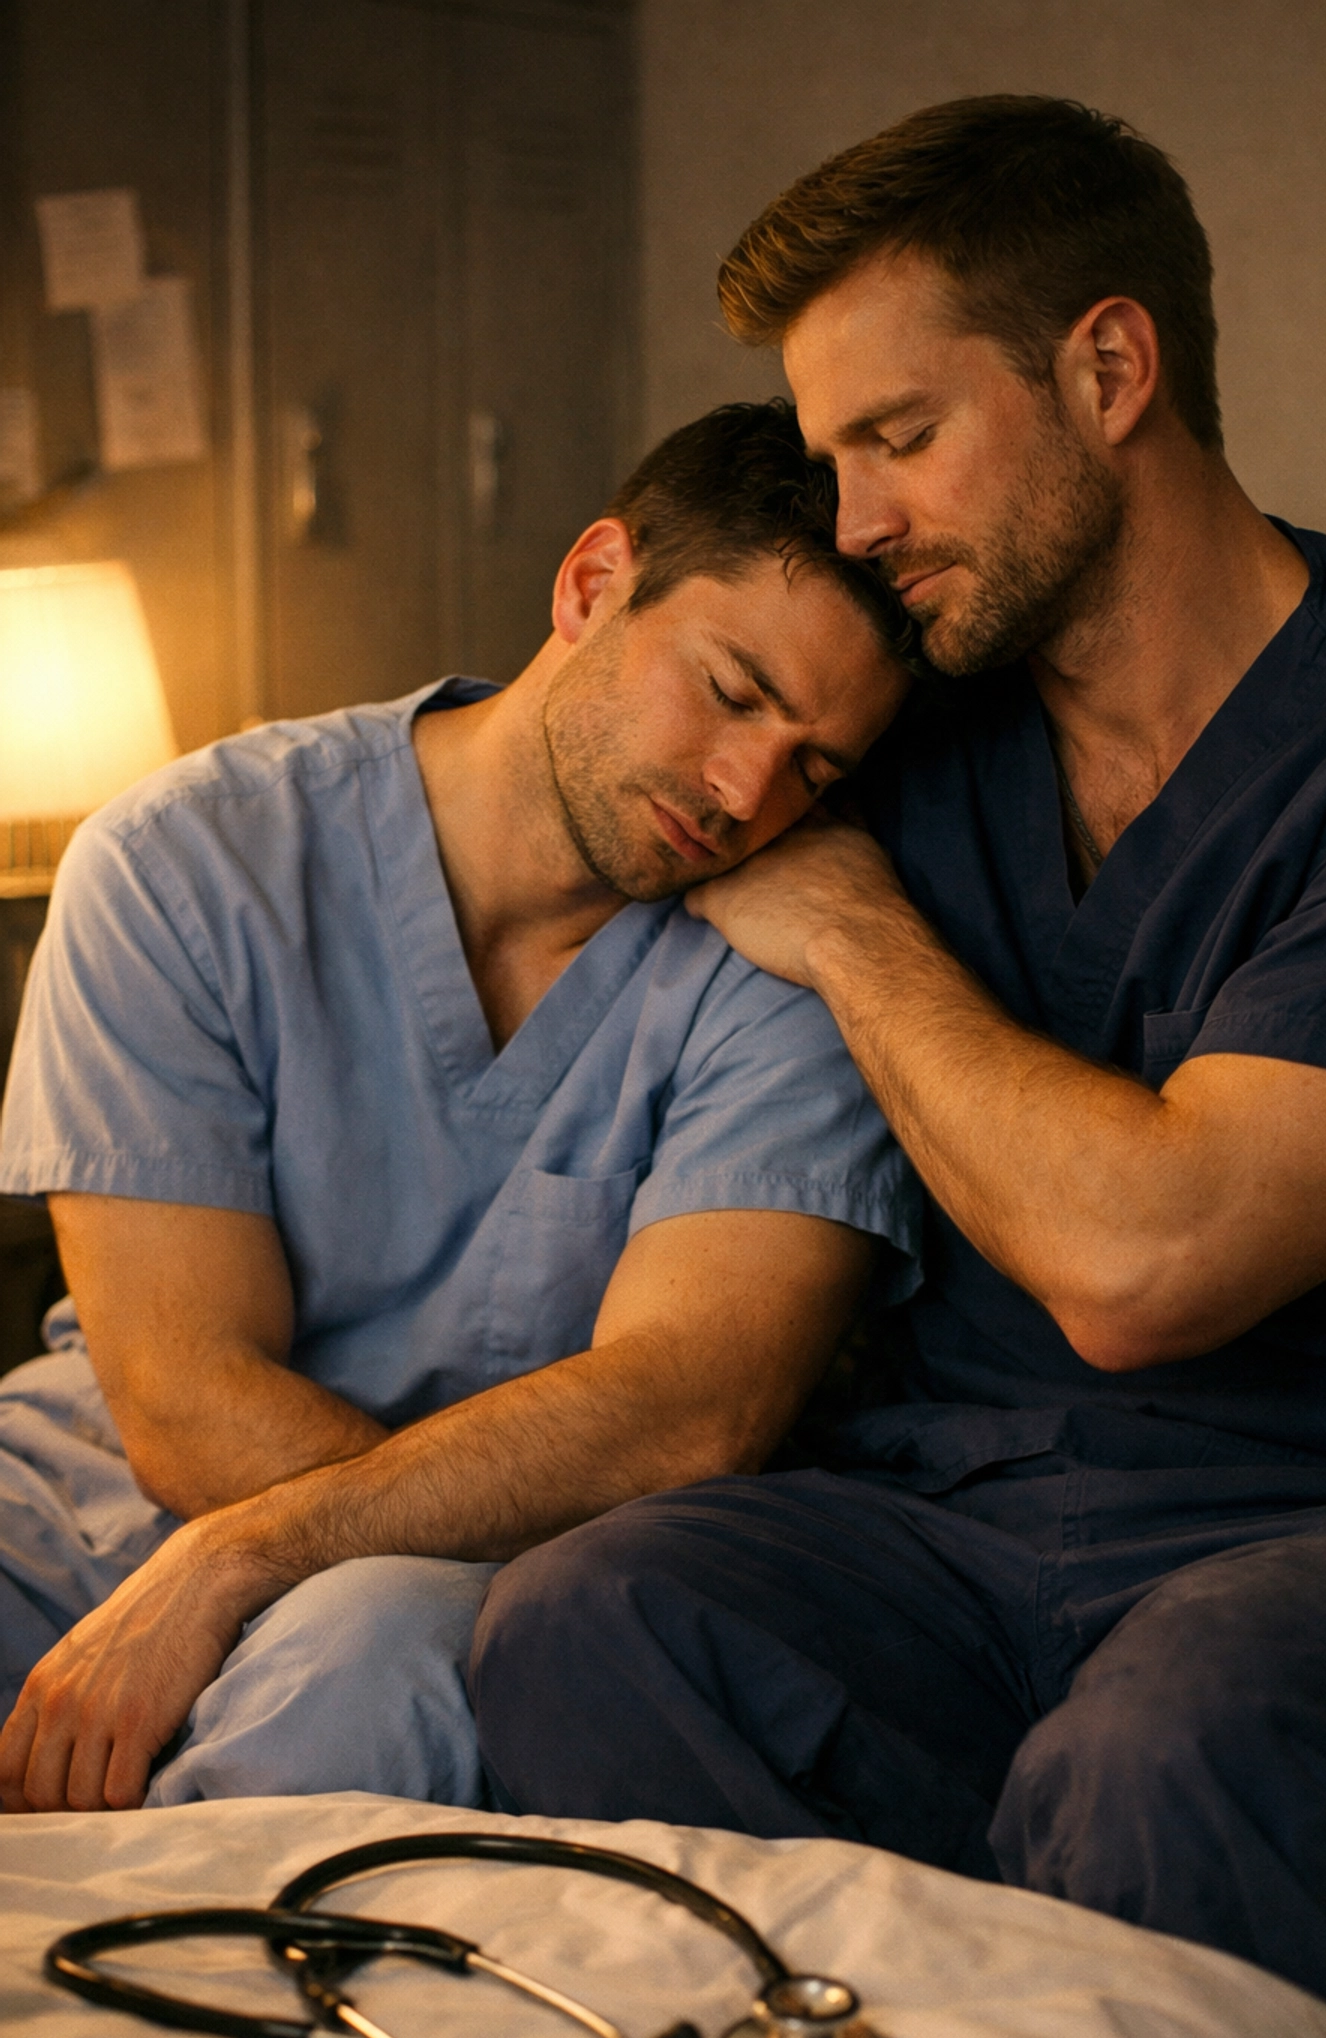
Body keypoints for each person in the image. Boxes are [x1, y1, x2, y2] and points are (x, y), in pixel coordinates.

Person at [469, 97, 1326, 2038]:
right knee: (591, 1618)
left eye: (899, 437)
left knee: (1172, 1759)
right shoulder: (899, 725)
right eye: (827, 459)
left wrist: (863, 936)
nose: (853, 521)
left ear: (1110, 370)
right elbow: (584, 774)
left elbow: (1150, 1260)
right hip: (951, 1519)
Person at [0, 400, 919, 1816]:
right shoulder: (188, 862)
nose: (748, 793)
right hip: (87, 1500)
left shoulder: (788, 961)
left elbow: (688, 1413)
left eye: (815, 764)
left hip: (438, 1578)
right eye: (734, 692)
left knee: (357, 1692)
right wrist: (408, 1498)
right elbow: (179, 1404)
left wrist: (291, 1553)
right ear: (592, 581)